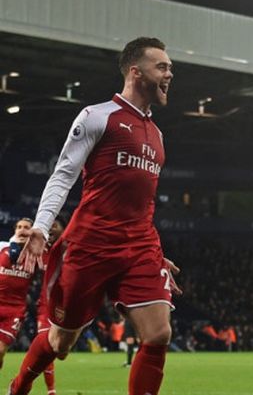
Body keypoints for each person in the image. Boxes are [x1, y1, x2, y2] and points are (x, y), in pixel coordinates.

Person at [8, 37, 183, 395]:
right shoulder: (97, 116)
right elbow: (63, 174)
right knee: (60, 344)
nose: (169, 74)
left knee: (159, 333)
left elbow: (142, 202)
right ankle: (20, 384)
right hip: (90, 245)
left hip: (139, 246)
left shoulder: (159, 135)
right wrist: (41, 227)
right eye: (162, 67)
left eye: (170, 68)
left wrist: (154, 252)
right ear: (136, 71)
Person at [34, 216, 68, 395]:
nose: (50, 229)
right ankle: (51, 391)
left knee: (61, 352)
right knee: (47, 348)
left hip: (68, 309)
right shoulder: (41, 250)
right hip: (45, 308)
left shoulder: (73, 250)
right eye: (49, 226)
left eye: (54, 225)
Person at [0, 218, 36, 373]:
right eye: (19, 227)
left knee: (0, 351)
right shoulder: (2, 247)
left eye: (26, 227)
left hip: (14, 310)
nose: (22, 230)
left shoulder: (37, 254)